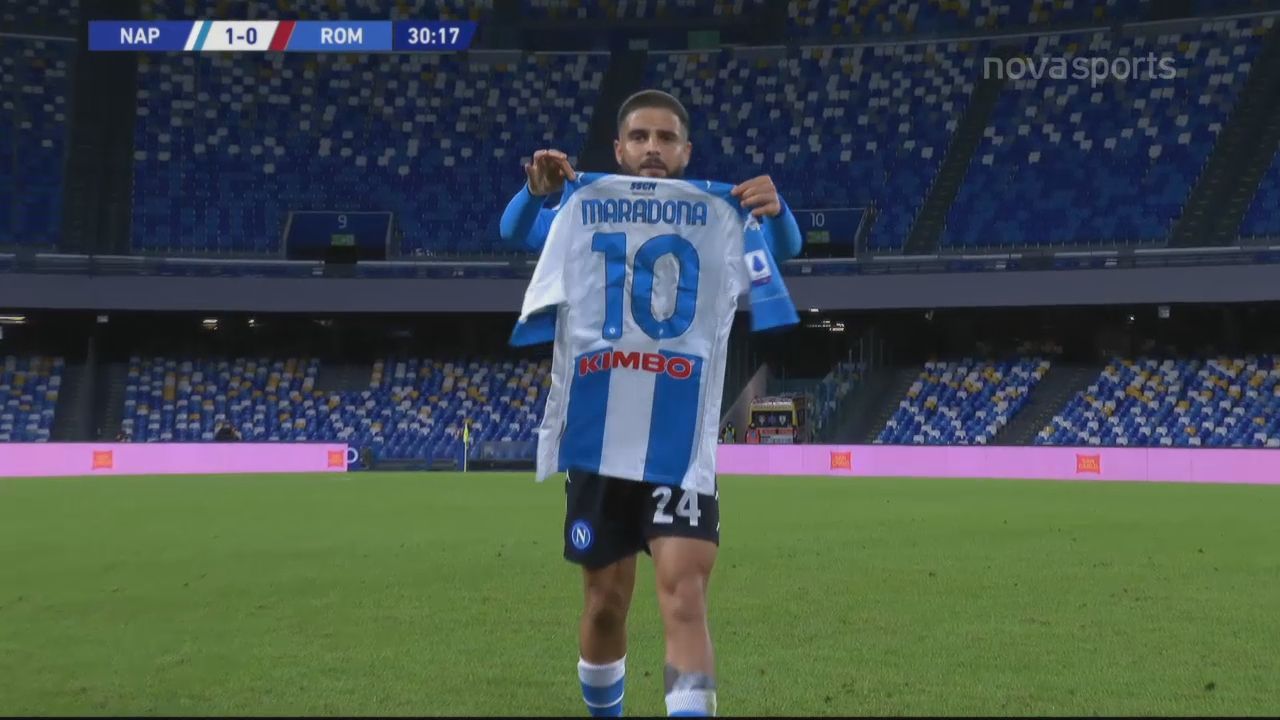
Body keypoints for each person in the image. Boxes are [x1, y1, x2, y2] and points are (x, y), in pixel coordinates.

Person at [500, 89, 803, 718]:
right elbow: (517, 232)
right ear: (618, 149)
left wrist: (777, 213)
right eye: (639, 137)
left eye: (666, 138)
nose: (652, 148)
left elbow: (783, 249)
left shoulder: (718, 215)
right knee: (604, 605)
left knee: (685, 598)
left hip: (679, 441)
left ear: (686, 151)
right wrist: (535, 191)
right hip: (599, 438)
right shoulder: (582, 207)